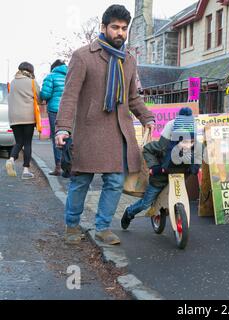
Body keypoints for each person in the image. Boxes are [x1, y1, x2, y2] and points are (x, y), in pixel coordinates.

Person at [55, 5, 155, 245]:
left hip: (119, 132)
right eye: (115, 27)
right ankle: (71, 226)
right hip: (88, 130)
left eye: (124, 28)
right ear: (103, 27)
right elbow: (69, 95)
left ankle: (102, 227)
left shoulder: (128, 61)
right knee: (81, 181)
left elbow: (133, 97)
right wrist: (62, 128)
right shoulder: (82, 56)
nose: (120, 32)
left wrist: (147, 117)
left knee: (115, 182)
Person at [121, 108, 201, 230]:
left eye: (190, 141)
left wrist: (194, 168)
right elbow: (147, 149)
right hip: (159, 178)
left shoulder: (194, 148)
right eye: (182, 141)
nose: (186, 145)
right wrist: (155, 167)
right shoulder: (163, 146)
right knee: (145, 204)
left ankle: (174, 214)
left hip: (177, 179)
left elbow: (197, 157)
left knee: (178, 198)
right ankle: (129, 212)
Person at [5, 62, 40, 179]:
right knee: (27, 143)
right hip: (28, 117)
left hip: (14, 118)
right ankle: (25, 170)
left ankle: (11, 159)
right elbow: (39, 97)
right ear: (30, 70)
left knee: (19, 142)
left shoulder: (13, 82)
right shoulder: (31, 82)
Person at [40, 59, 68, 176]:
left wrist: (42, 96)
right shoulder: (72, 75)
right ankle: (69, 166)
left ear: (53, 68)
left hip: (55, 110)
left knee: (57, 138)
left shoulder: (51, 76)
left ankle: (58, 167)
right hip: (71, 110)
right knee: (69, 137)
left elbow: (45, 94)